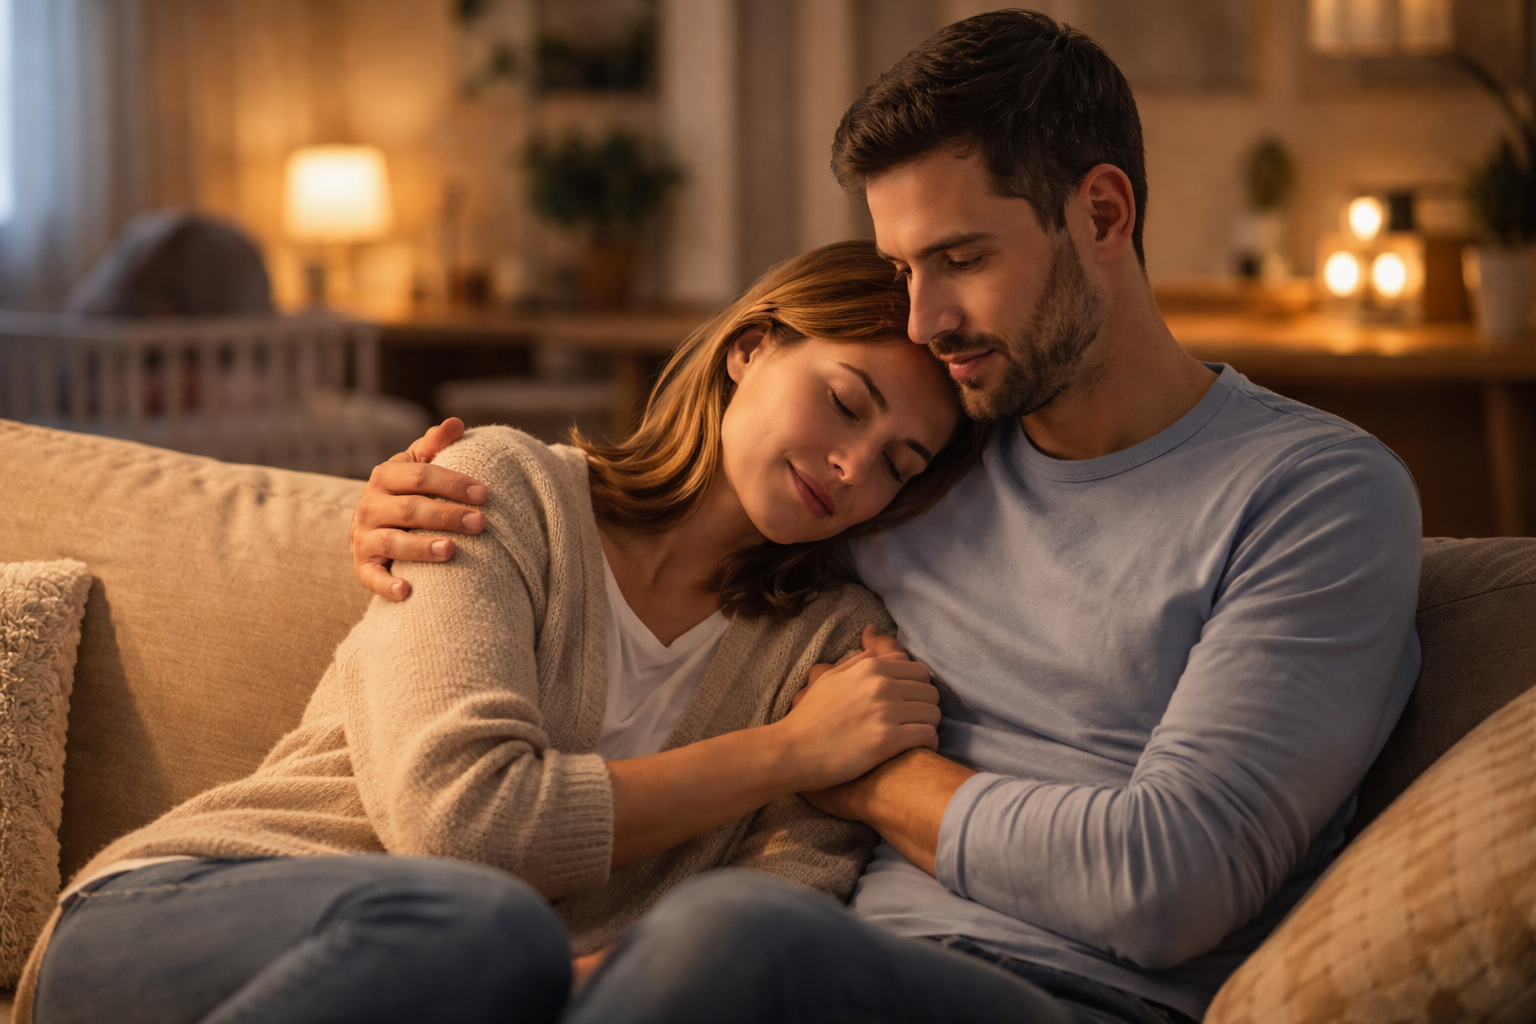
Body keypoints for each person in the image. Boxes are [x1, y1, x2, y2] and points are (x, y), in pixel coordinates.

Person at [352, 12, 1423, 1024]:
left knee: (734, 935)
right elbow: (687, 510)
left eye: (961, 260)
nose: (924, 320)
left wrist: (860, 772)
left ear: (1103, 214)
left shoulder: (1314, 494)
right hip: (833, 967)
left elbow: (1167, 882)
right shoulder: (914, 472)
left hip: (1071, 997)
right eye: (905, 271)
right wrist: (406, 509)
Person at [20, 242, 993, 1024]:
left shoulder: (838, 653)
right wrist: (785, 752)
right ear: (752, 347)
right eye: (846, 401)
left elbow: (765, 924)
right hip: (181, 916)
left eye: (897, 462)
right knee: (491, 926)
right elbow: (464, 822)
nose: (852, 464)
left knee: (498, 944)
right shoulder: (502, 490)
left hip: (485, 988)